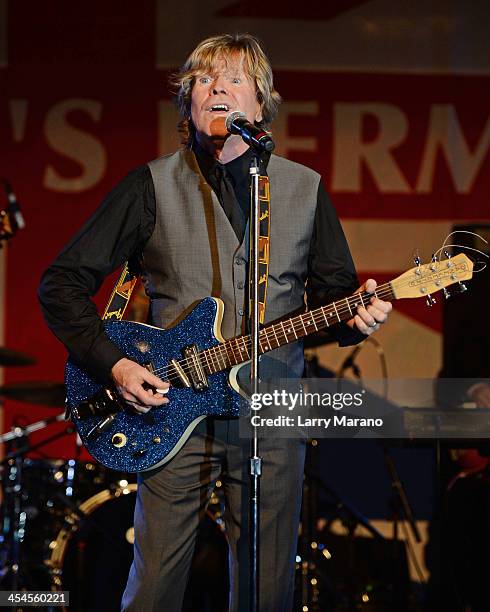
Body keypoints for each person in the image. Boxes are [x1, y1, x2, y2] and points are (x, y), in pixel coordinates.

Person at [39, 33, 392, 612]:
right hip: (170, 409)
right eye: (204, 80)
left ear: (261, 103)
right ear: (188, 102)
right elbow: (61, 285)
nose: (218, 87)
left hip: (272, 412)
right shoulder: (150, 185)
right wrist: (117, 364)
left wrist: (360, 318)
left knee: (266, 590)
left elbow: (334, 304)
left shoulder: (304, 188)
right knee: (154, 588)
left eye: (234, 78)